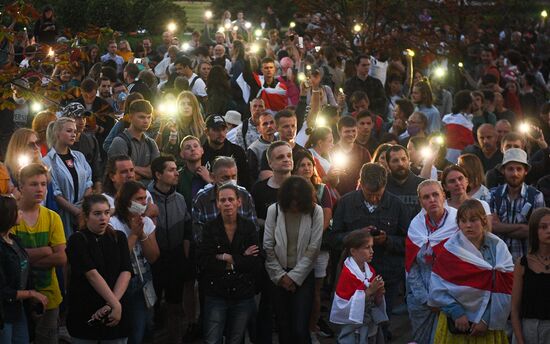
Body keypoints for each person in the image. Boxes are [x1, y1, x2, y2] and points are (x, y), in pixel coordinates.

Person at [429, 199, 513, 343]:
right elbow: (437, 288)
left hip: (487, 325)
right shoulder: (449, 251)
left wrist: (486, 320)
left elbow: (506, 288)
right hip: (455, 323)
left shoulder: (499, 248)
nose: (468, 225)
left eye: (473, 220)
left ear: (483, 221)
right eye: (463, 221)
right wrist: (457, 313)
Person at [198, 183, 261, 344]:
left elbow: (254, 262)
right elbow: (205, 261)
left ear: (239, 202)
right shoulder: (209, 228)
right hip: (216, 292)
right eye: (223, 200)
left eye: (231, 199)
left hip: (242, 292)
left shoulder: (248, 227)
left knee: (236, 339)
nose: (227, 203)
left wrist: (228, 257)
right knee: (213, 340)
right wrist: (240, 257)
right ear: (217, 203)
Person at [11, 163, 67, 344]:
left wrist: (23, 259)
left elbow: (61, 257)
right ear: (21, 187)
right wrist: (44, 250)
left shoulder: (52, 217)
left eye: (43, 184)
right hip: (16, 298)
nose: (40, 189)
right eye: (33, 184)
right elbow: (7, 259)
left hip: (49, 296)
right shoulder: (9, 216)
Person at [263, 176, 323, 344]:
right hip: (278, 275)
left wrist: (294, 277)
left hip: (304, 276)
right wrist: (281, 276)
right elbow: (268, 246)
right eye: (291, 201)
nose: (295, 205)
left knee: (300, 327)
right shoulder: (274, 211)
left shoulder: (315, 211)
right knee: (283, 325)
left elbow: (313, 248)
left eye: (298, 201)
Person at [65, 194, 132, 343]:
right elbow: (92, 274)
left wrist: (111, 305)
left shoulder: (118, 237)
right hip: (86, 312)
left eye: (107, 213)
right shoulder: (77, 240)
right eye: (97, 214)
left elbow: (126, 271)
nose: (103, 218)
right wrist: (114, 305)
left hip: (115, 315)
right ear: (86, 216)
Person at [148, 156, 196, 342]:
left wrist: (183, 256)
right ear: (158, 174)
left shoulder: (180, 199)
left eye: (176, 169)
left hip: (175, 259)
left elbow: (186, 229)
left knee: (175, 307)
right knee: (151, 307)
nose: (177, 173)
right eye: (171, 170)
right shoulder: (146, 198)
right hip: (153, 260)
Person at [405, 180, 458, 344]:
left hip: (451, 297)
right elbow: (411, 267)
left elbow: (463, 264)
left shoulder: (459, 221)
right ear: (421, 202)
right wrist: (426, 299)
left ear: (443, 195)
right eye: (426, 197)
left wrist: (442, 298)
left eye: (435, 194)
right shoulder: (415, 226)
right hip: (421, 298)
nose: (432, 199)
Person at [292, 150, 335, 340]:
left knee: (316, 289)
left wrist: (313, 240)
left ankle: (312, 328)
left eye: (309, 164)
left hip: (319, 247)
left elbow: (327, 216)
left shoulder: (322, 189)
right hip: (294, 247)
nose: (307, 168)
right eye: (302, 165)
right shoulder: (289, 188)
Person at [110, 181, 160, 344]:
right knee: (127, 329)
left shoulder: (147, 222)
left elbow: (153, 256)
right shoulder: (113, 224)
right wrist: (133, 235)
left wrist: (143, 235)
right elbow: (117, 259)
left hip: (142, 280)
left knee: (142, 327)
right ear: (126, 200)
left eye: (145, 198)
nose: (144, 203)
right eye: (139, 199)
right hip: (121, 283)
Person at [0, 194, 48, 344]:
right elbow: (2, 290)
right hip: (3, 313)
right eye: (17, 210)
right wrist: (31, 293)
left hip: (18, 309)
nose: (21, 213)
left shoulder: (15, 241)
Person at [329, 230, 387, 343]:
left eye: (372, 247)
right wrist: (370, 291)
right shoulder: (348, 274)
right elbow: (346, 306)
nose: (372, 251)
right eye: (367, 247)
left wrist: (379, 292)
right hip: (353, 327)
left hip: (369, 322)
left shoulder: (370, 270)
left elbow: (375, 300)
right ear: (353, 251)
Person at [489, 148, 545, 261]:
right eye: (510, 169)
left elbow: (536, 231)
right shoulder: (493, 194)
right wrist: (522, 227)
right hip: (499, 260)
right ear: (503, 170)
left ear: (525, 171)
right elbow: (491, 227)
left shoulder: (536, 196)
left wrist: (501, 227)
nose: (515, 173)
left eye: (519, 169)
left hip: (527, 260)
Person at [43, 117, 93, 237]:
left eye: (75, 132)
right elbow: (55, 193)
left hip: (83, 211)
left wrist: (84, 207)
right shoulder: (47, 161)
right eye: (69, 131)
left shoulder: (79, 157)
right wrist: (76, 212)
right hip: (63, 214)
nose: (73, 135)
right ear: (57, 133)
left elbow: (88, 181)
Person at [192, 156, 258, 244]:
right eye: (225, 178)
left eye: (234, 176)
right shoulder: (201, 199)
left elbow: (254, 231)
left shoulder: (245, 196)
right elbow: (199, 237)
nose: (231, 181)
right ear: (212, 177)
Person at [511, 208, 550, 344]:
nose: (548, 230)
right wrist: (520, 340)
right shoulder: (522, 264)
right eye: (543, 227)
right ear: (534, 230)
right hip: (528, 329)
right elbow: (514, 309)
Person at [108, 99, 160, 187]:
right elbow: (121, 176)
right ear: (130, 117)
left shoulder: (151, 143)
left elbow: (156, 173)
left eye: (149, 117)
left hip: (147, 194)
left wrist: (134, 168)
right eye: (141, 117)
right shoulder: (120, 142)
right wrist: (145, 172)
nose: (146, 121)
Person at [60, 102, 102, 192]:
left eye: (83, 117)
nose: (82, 121)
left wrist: (98, 192)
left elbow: (96, 171)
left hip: (89, 190)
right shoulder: (60, 143)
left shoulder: (91, 140)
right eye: (77, 118)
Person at [201, 114, 250, 189]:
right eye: (216, 130)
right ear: (206, 131)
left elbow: (246, 181)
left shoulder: (237, 151)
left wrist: (211, 180)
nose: (221, 133)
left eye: (223, 129)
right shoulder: (200, 153)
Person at [155, 91, 206, 158]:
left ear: (195, 107)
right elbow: (167, 153)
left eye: (189, 104)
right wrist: (173, 134)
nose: (186, 107)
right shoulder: (171, 124)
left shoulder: (201, 127)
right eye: (182, 104)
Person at [384, 145, 425, 218]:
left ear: (409, 160)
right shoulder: (382, 185)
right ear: (388, 164)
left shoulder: (422, 185)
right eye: (395, 161)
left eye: (403, 159)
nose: (400, 164)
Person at [442, 90, 475, 163]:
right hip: (458, 160)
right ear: (469, 104)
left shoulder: (446, 118)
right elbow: (470, 143)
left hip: (442, 158)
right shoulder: (466, 124)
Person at [247, 112, 276, 182]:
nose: (269, 126)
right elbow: (253, 176)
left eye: (271, 122)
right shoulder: (253, 149)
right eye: (265, 124)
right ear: (258, 129)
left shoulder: (282, 143)